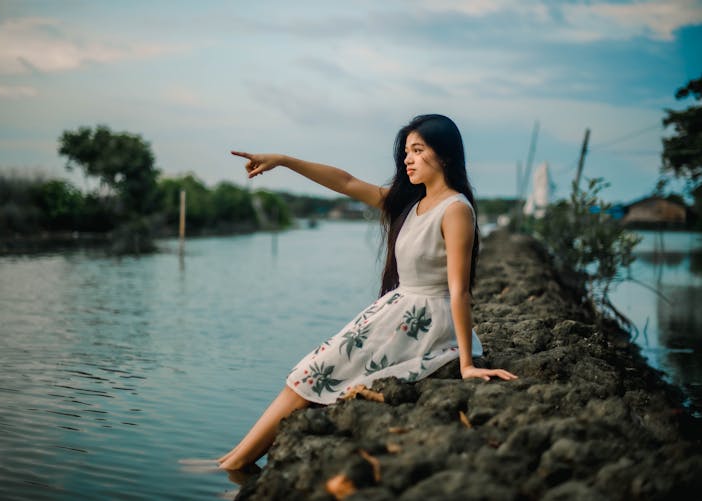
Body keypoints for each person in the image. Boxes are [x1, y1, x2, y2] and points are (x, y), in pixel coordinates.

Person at [194, 114, 517, 473]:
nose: (407, 159)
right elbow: (345, 181)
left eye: (418, 150)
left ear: (444, 156)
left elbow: (459, 289)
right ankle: (231, 461)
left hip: (425, 322)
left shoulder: (455, 209)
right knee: (309, 372)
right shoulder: (410, 204)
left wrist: (467, 362)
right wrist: (284, 161)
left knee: (315, 373)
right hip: (398, 310)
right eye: (406, 151)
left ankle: (234, 465)